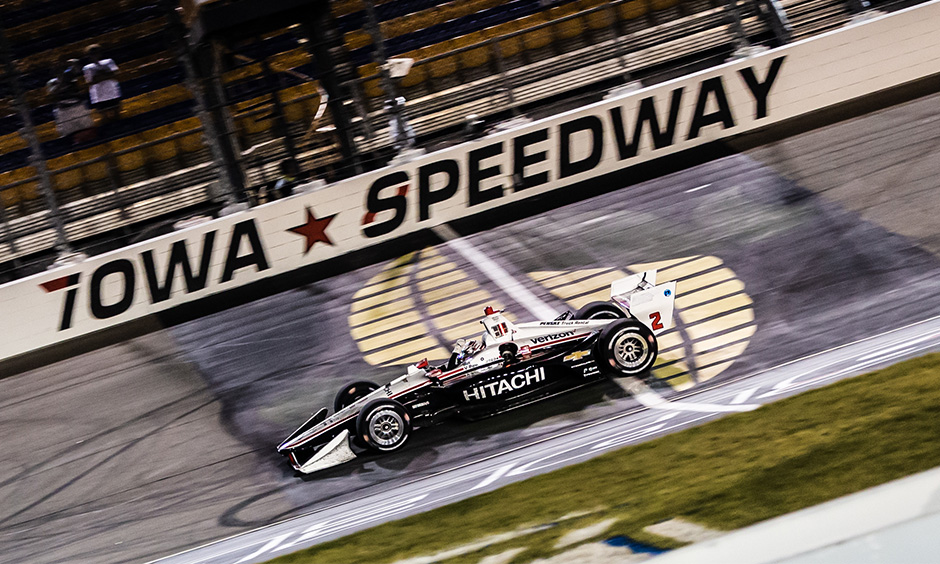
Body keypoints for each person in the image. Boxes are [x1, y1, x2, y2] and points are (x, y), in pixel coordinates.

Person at [46, 58, 95, 144]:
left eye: (59, 65)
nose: (57, 67)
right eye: (55, 66)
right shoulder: (52, 82)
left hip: (77, 106)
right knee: (68, 135)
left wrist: (71, 63)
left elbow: (77, 66)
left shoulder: (69, 75)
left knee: (87, 129)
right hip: (63, 110)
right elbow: (53, 93)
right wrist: (63, 80)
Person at [83, 44, 122, 124]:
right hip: (99, 96)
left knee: (117, 114)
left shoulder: (109, 61)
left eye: (96, 53)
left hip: (112, 93)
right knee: (104, 117)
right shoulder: (87, 67)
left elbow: (116, 74)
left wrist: (99, 76)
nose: (94, 55)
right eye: (92, 54)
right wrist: (106, 75)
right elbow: (91, 81)